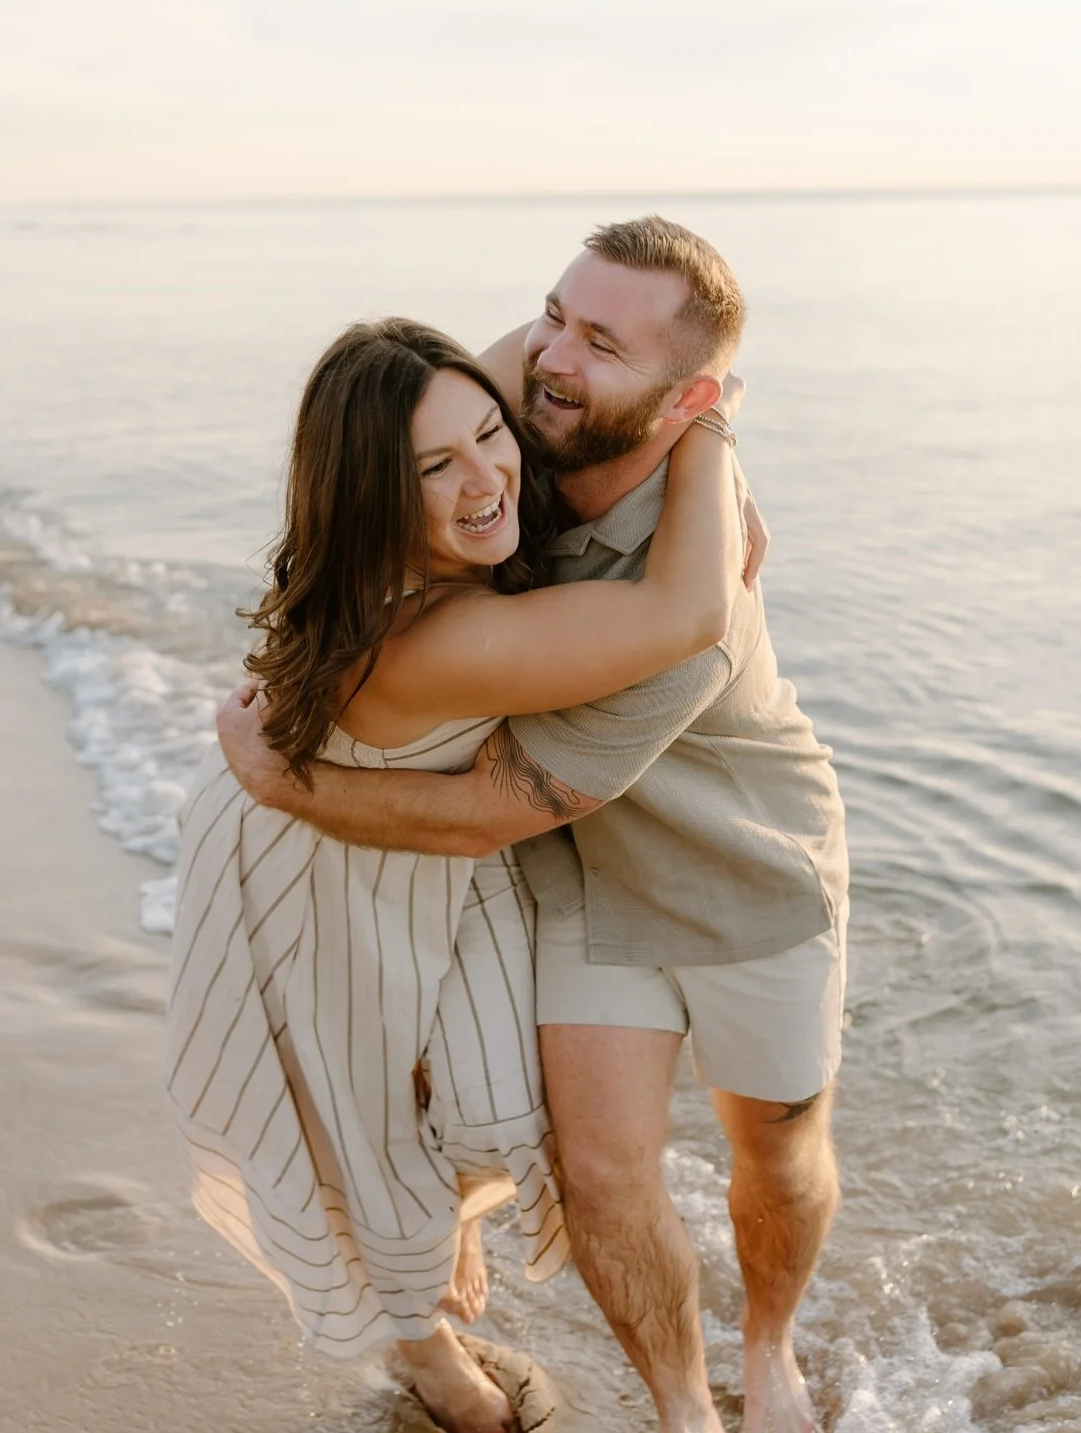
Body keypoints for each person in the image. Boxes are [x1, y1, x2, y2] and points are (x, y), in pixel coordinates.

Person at [217, 216, 849, 1433]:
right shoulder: (514, 438)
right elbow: (476, 375)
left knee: (776, 1152)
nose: (551, 357)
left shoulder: (691, 596)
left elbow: (486, 810)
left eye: (602, 342)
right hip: (581, 888)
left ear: (681, 393)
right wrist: (691, 408)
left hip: (745, 873)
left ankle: (768, 1349)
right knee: (606, 1175)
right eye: (554, 312)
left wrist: (282, 783)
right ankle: (684, 1408)